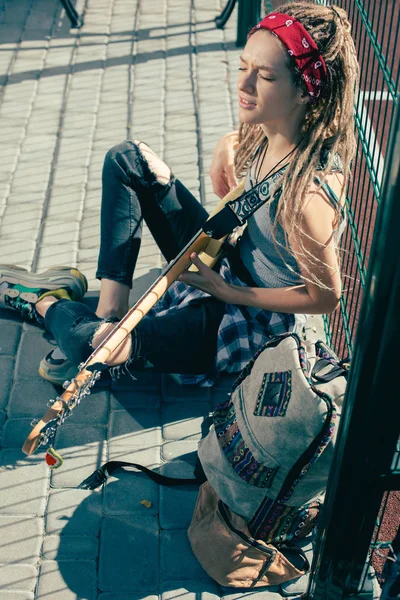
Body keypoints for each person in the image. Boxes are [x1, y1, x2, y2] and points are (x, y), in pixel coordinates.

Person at [0, 3, 359, 388]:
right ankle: (110, 311)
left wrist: (230, 291)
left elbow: (325, 298)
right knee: (128, 159)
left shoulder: (307, 198)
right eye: (243, 67)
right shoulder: (273, 129)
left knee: (92, 346)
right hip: (221, 262)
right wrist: (228, 142)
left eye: (265, 76)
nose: (244, 85)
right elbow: (251, 150)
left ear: (306, 91)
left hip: (246, 318)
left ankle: (43, 302)